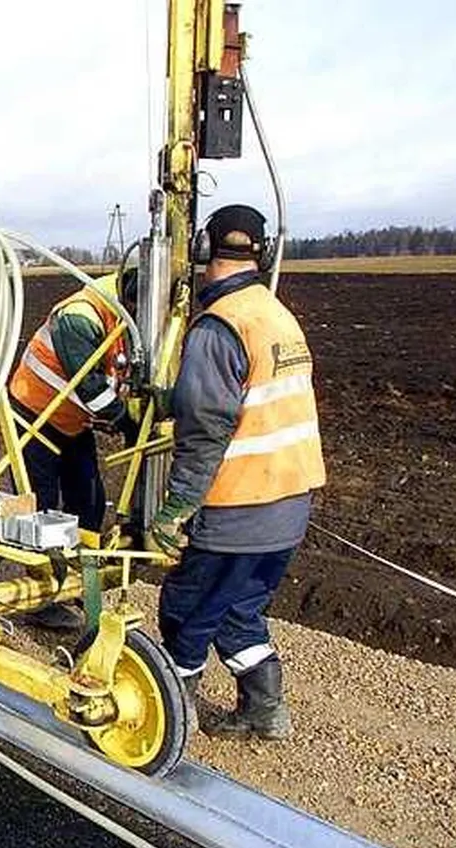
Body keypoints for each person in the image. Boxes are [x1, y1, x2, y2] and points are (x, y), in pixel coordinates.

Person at [148, 204, 326, 741]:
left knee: (186, 612)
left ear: (203, 249)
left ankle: (169, 720)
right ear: (263, 252)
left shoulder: (218, 328)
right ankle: (264, 712)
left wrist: (176, 510)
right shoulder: (273, 314)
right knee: (238, 611)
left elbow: (206, 434)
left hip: (237, 510)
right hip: (290, 505)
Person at [6, 268, 139, 629]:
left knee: (89, 499)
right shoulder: (80, 318)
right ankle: (40, 594)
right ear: (130, 300)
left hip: (68, 418)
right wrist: (128, 421)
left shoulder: (121, 317)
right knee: (39, 508)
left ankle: (76, 579)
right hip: (33, 412)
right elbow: (92, 390)